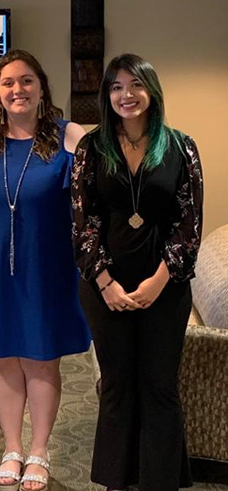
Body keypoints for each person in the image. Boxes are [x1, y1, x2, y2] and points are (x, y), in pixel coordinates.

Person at [0, 49, 92, 491]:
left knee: (40, 360)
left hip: (46, 268)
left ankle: (39, 449)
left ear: (41, 87)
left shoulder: (68, 135)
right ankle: (11, 447)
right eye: (7, 83)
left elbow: (95, 199)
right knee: (1, 360)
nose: (17, 90)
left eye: (26, 81)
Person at [72, 53, 204, 491]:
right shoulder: (91, 148)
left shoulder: (181, 146)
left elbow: (189, 224)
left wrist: (157, 281)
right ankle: (116, 481)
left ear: (151, 91)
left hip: (165, 287)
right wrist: (105, 281)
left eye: (135, 85)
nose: (125, 95)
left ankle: (160, 481)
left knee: (159, 385)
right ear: (106, 95)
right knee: (116, 384)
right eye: (115, 87)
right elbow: (83, 221)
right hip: (104, 288)